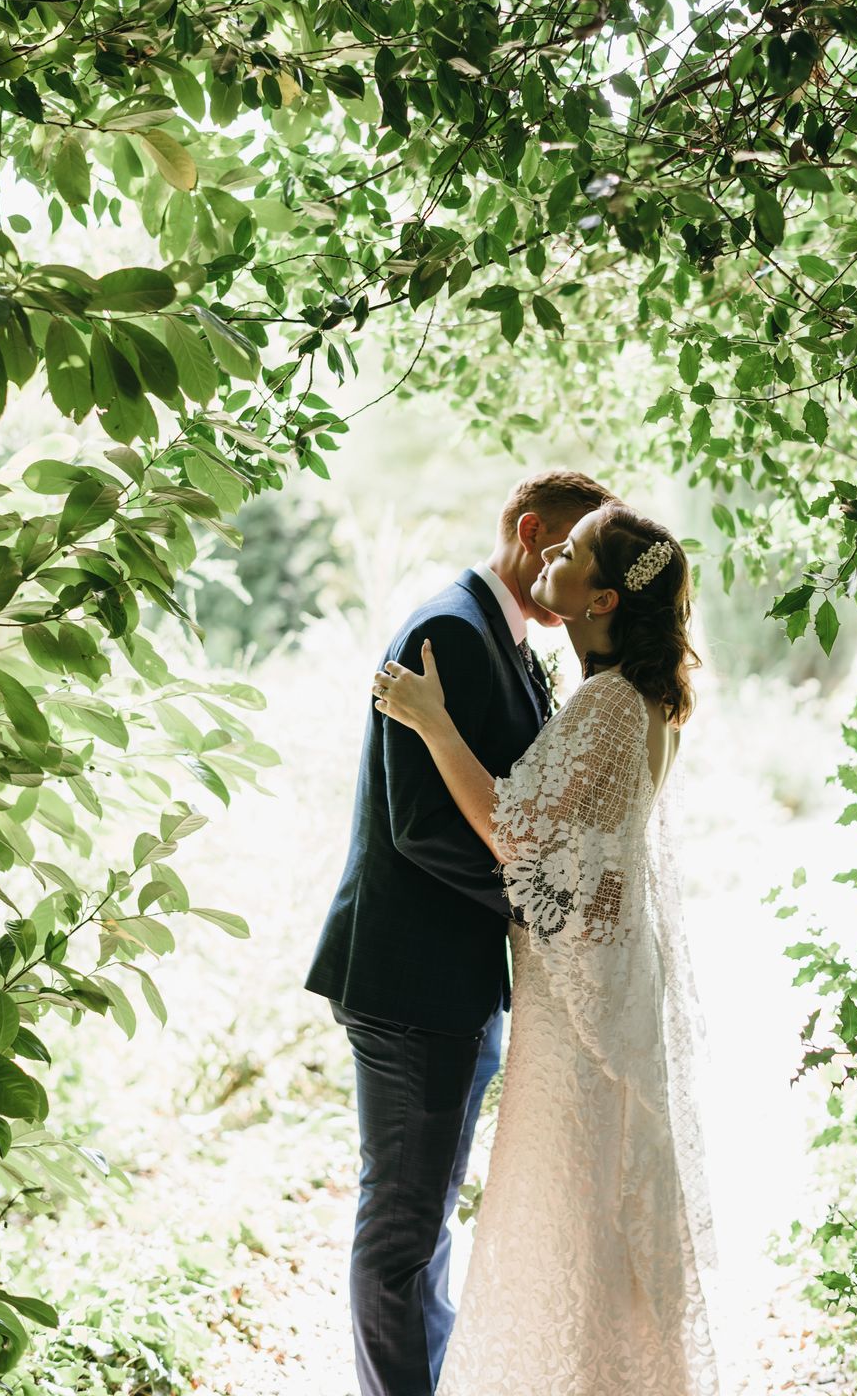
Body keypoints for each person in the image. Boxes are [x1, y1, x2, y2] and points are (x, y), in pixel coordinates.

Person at [372, 500, 721, 1396]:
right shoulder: (634, 698)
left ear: (601, 600)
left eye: (569, 553)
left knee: (571, 1211)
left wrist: (430, 719)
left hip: (577, 1005)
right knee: (582, 1207)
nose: (549, 562)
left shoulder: (608, 705)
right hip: (591, 982)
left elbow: (510, 832)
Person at [304, 469, 615, 1396]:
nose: (571, 574)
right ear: (528, 532)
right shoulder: (449, 631)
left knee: (428, 1220)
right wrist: (542, 902)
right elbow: (423, 825)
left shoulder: (507, 639)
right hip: (410, 981)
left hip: (456, 981)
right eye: (563, 549)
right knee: (401, 1229)